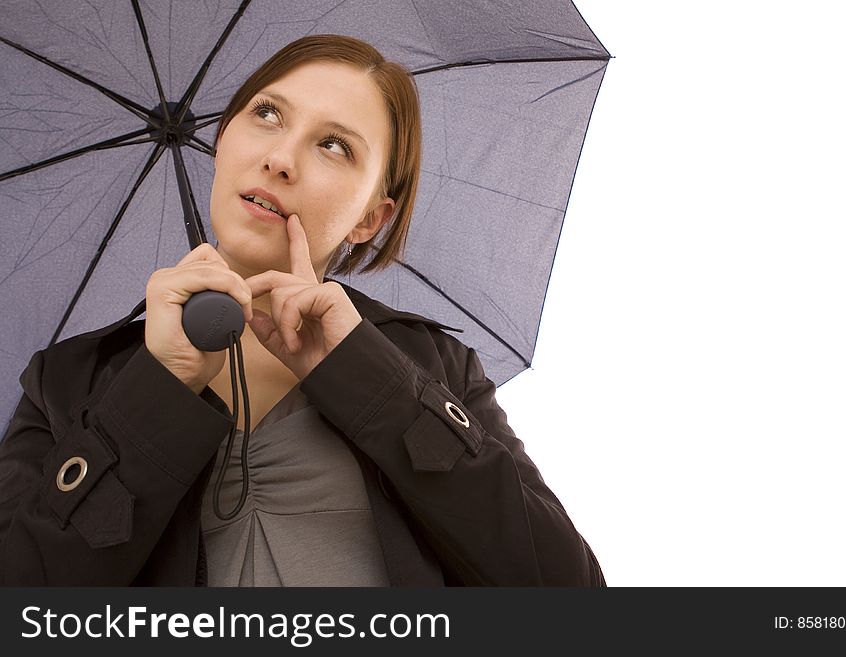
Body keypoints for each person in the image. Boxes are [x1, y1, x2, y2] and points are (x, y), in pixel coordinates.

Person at [0, 35, 605, 586]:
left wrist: (373, 382)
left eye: (334, 145)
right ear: (222, 140)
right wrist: (156, 391)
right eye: (267, 114)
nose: (281, 158)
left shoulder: (432, 364)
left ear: (372, 218)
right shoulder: (67, 379)